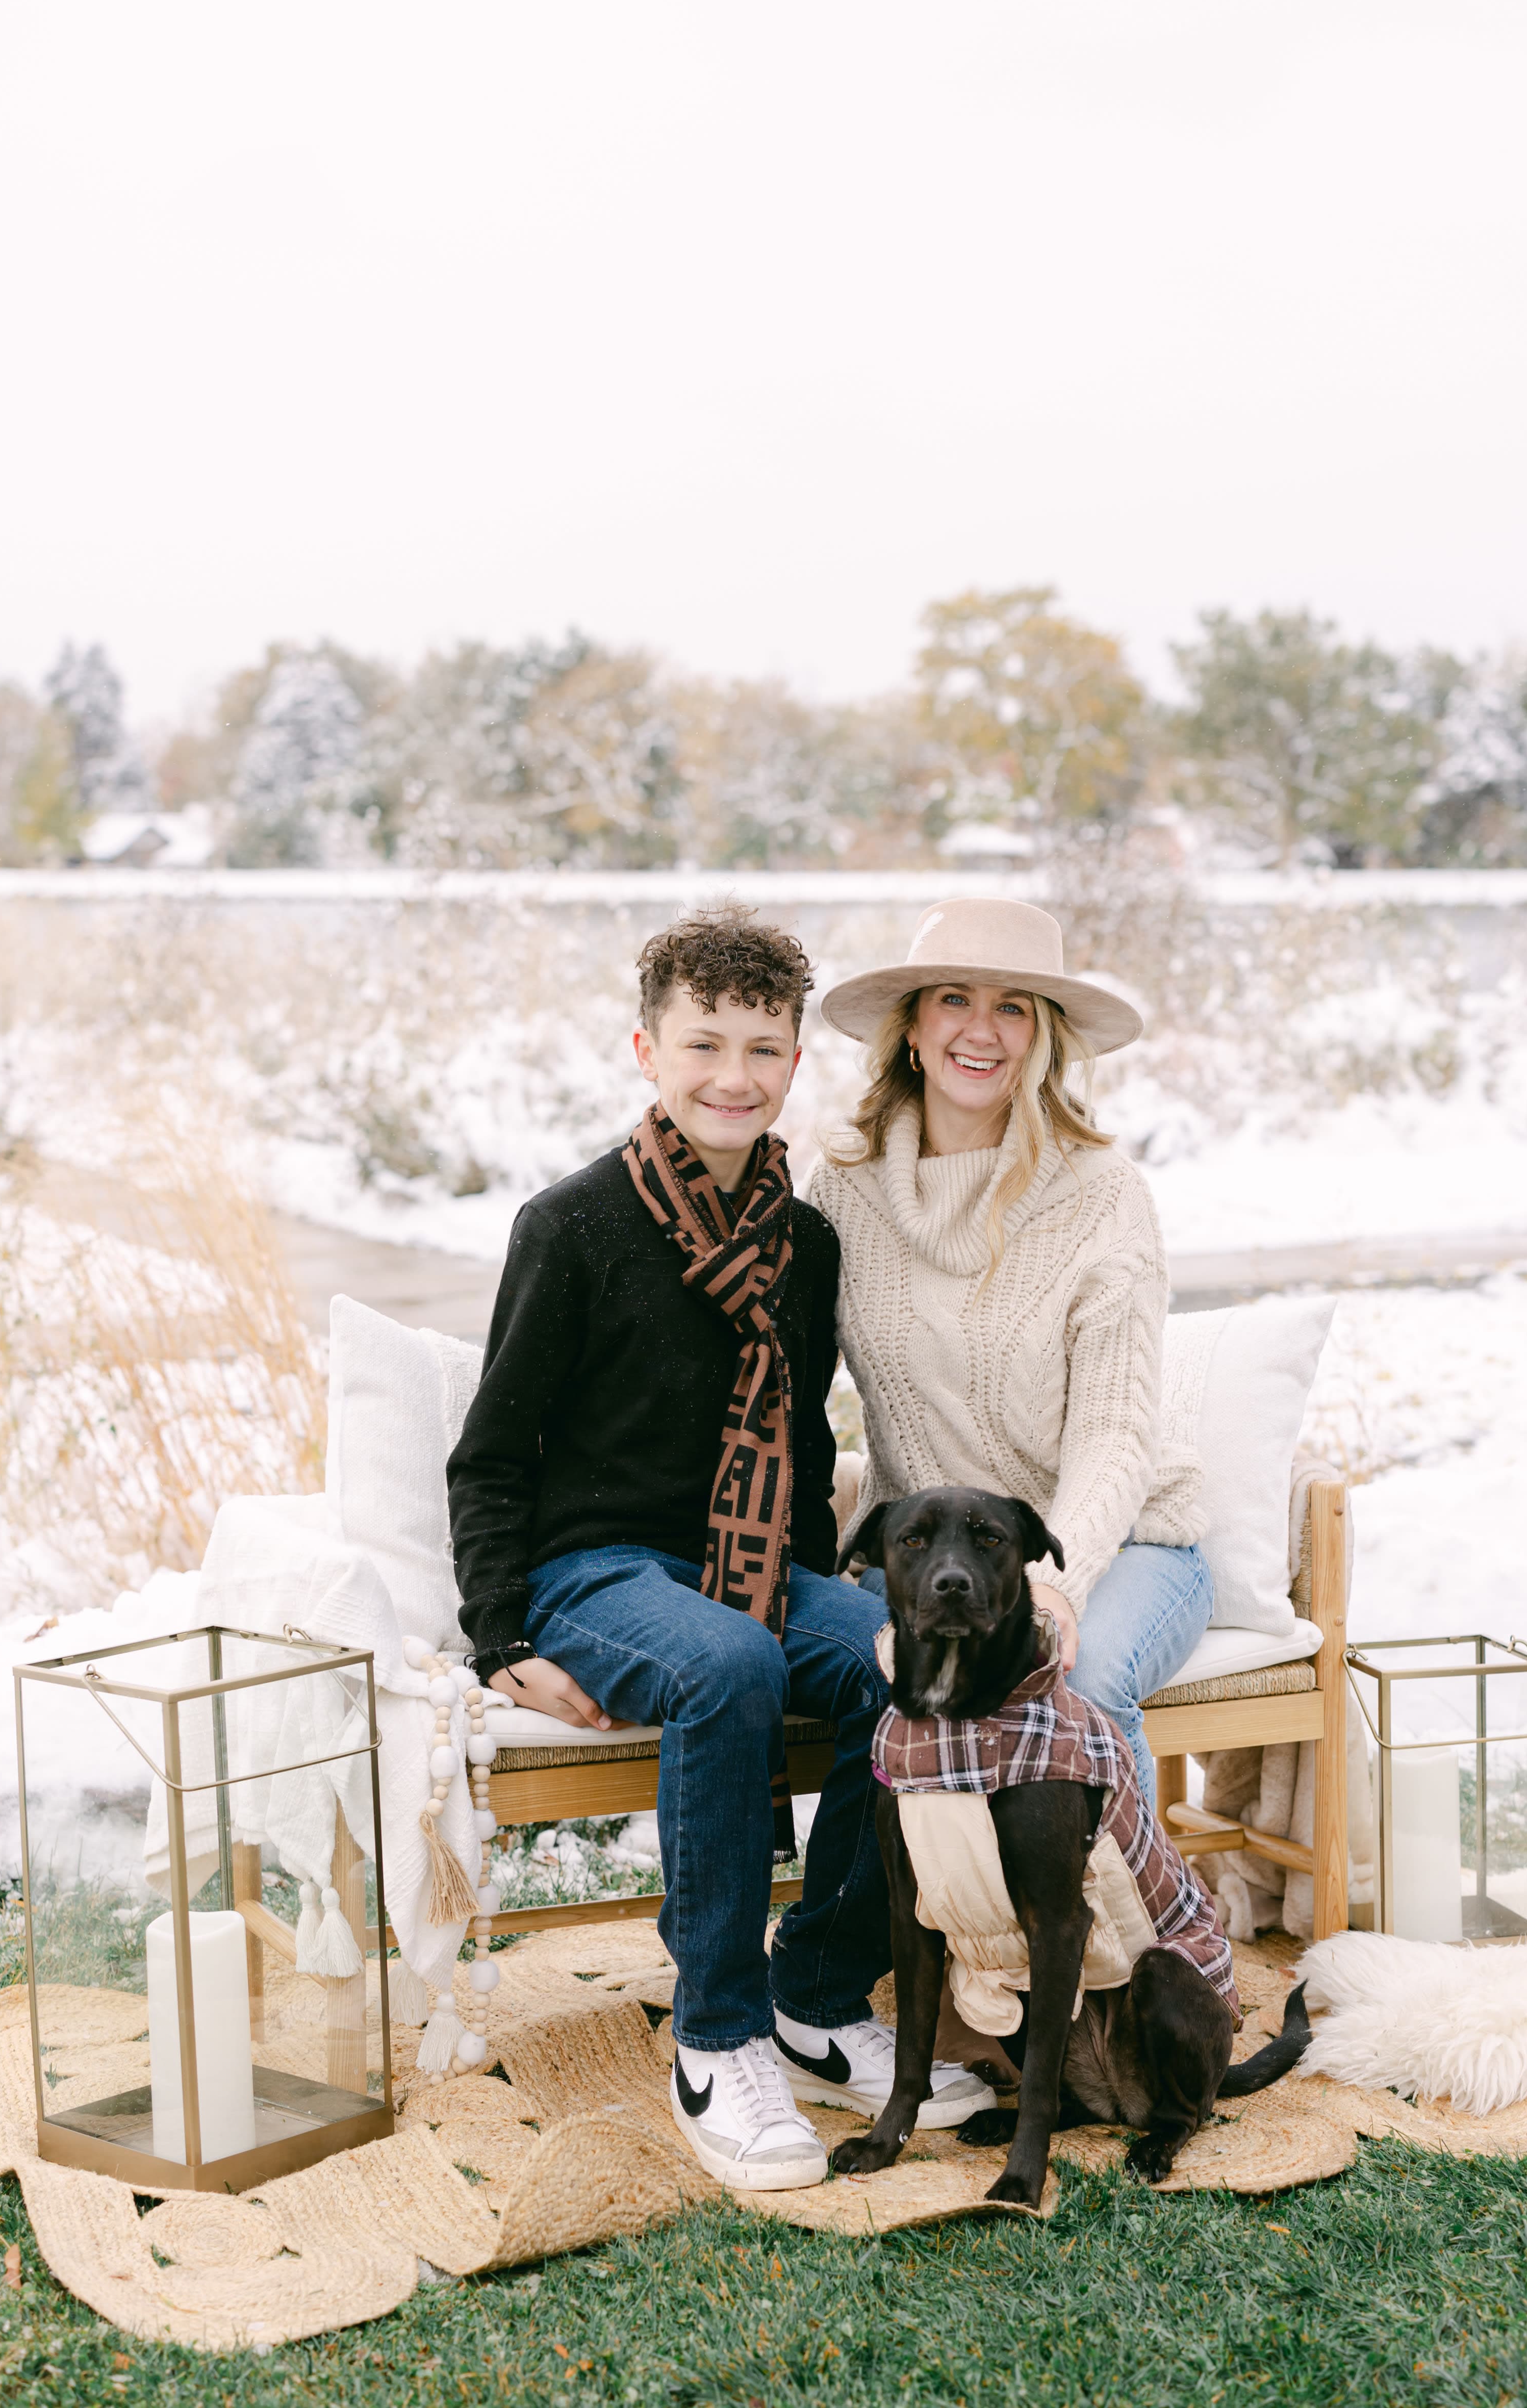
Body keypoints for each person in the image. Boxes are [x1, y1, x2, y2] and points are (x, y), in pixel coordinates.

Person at [447, 903, 990, 2191]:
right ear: (646, 1047)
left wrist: (831, 1593)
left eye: (762, 1048)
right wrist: (498, 1636)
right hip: (597, 1573)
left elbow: (794, 1437)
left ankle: (814, 1986)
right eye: (704, 1043)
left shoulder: (804, 1243)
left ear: (797, 1059)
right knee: (726, 1664)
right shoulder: (569, 1225)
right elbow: (491, 1450)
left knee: (893, 1660)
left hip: (745, 1566)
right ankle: (717, 2034)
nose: (732, 1076)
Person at [807, 896, 1210, 1803]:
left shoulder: (1103, 1195)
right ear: (911, 1028)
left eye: (1013, 1006)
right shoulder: (841, 1189)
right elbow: (782, 1380)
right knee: (865, 1675)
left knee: (1082, 1681)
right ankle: (923, 1934)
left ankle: (1141, 1937)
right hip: (937, 1558)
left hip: (1123, 1542)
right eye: (954, 997)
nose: (980, 1029)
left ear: (1043, 1038)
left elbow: (1113, 1433)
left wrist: (1055, 1591)